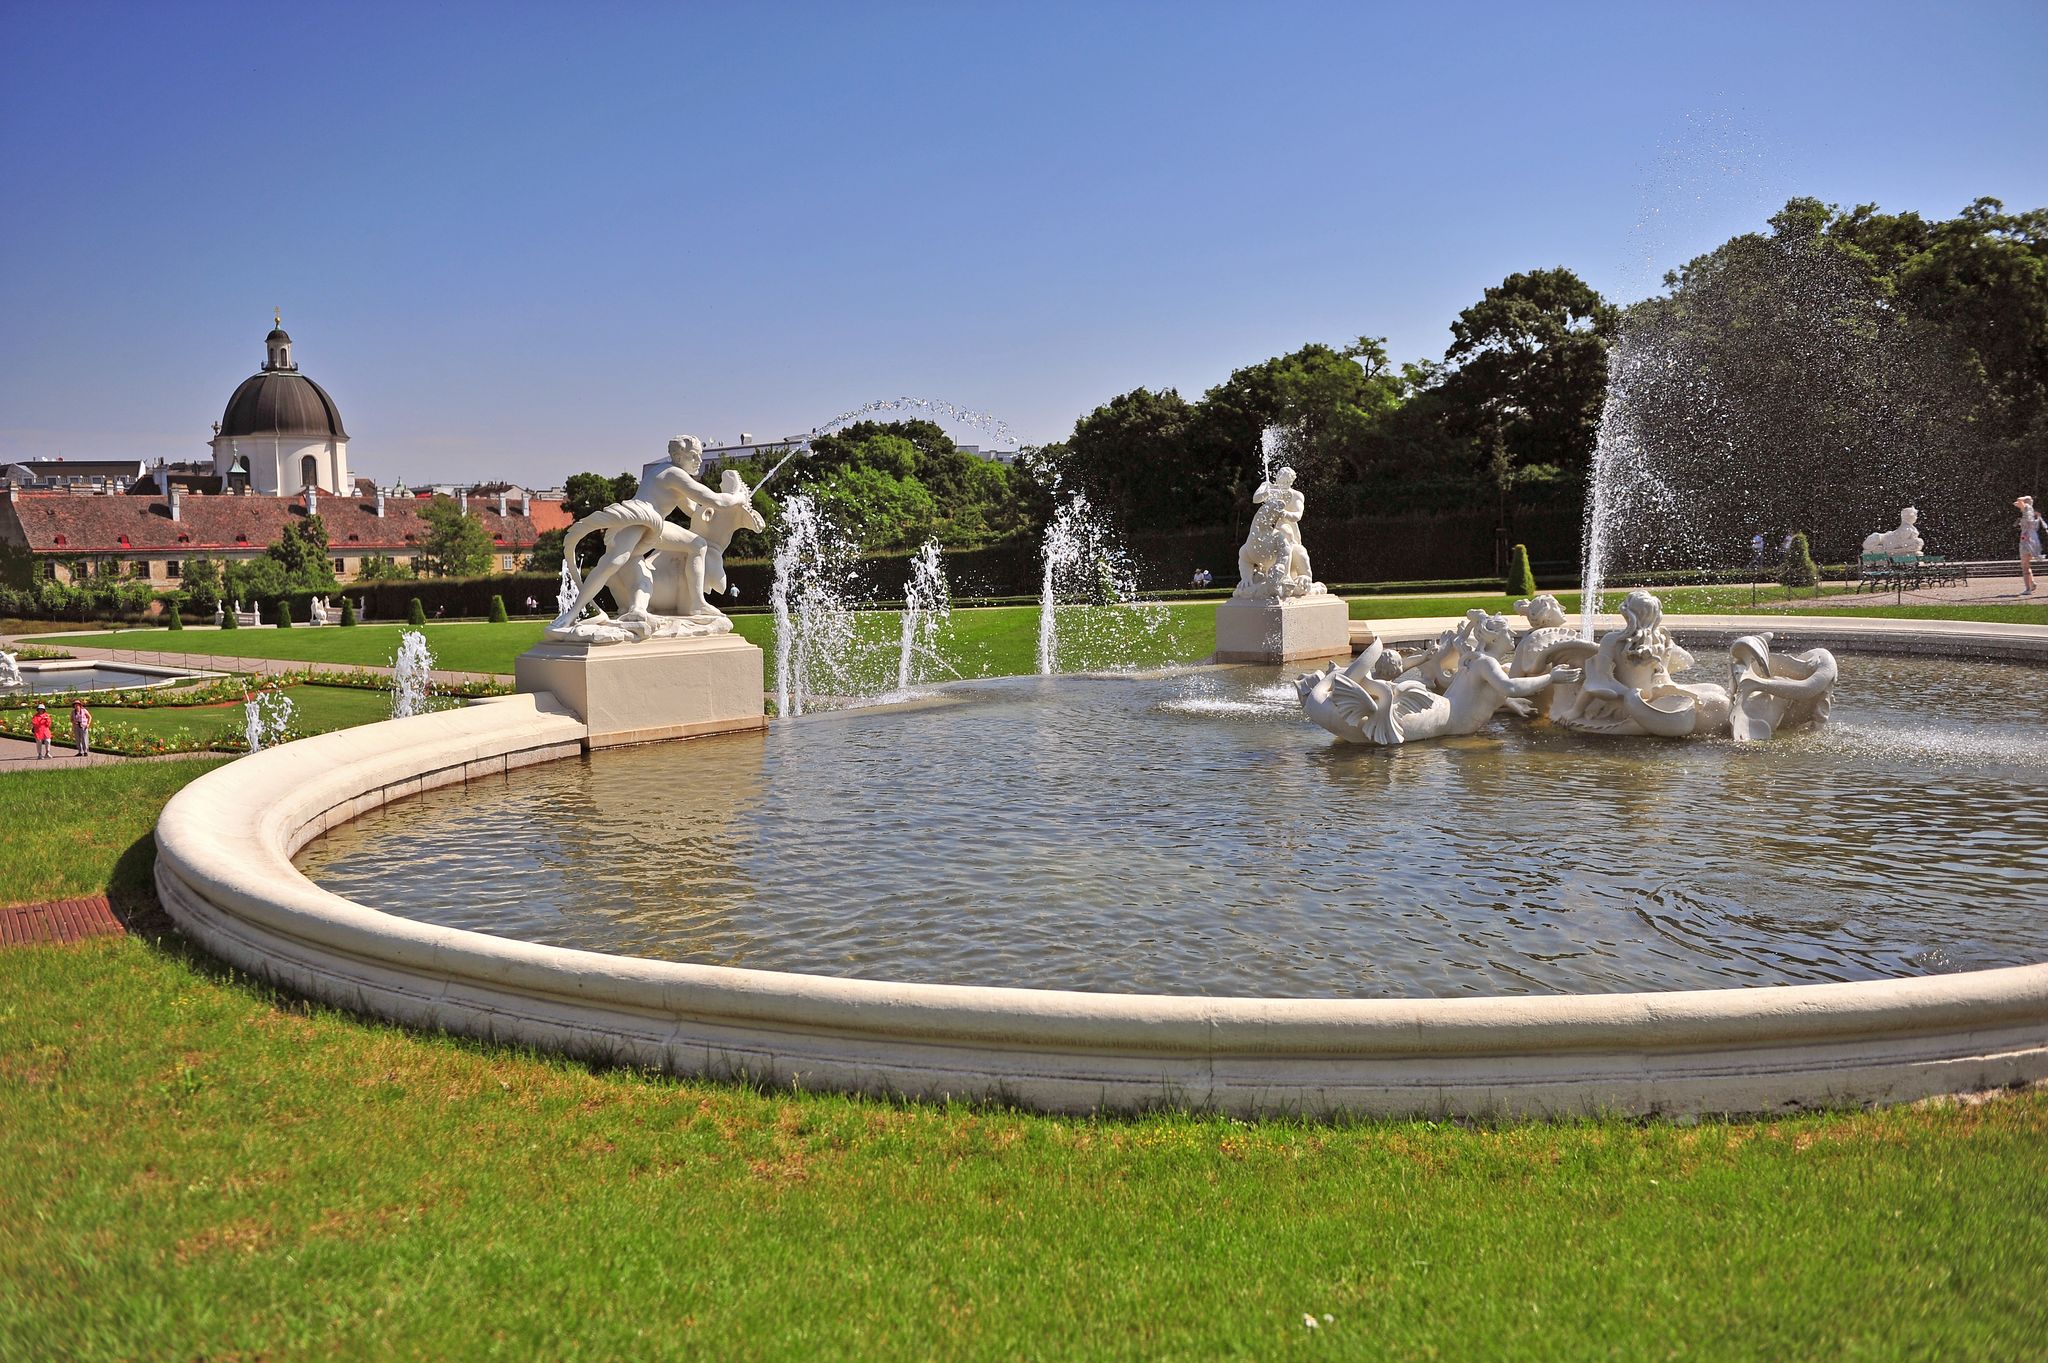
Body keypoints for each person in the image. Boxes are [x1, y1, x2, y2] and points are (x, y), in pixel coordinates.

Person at [2019, 495, 2043, 596]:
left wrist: (2023, 498)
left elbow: (2019, 501)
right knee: (2027, 563)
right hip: (2033, 541)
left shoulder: (2026, 509)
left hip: (2026, 541)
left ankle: (2028, 588)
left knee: (2024, 565)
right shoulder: (2031, 513)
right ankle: (2032, 583)